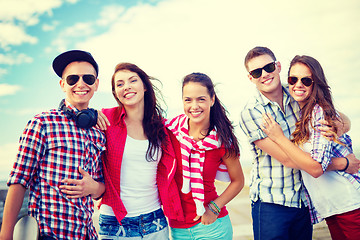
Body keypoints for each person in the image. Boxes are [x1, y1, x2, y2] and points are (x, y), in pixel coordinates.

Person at [238, 46, 359, 240]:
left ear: (278, 66)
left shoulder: (298, 91)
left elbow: (340, 118)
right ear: (250, 77)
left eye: (268, 67)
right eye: (256, 72)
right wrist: (343, 164)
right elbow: (287, 159)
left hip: (303, 200)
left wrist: (337, 125)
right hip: (272, 201)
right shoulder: (252, 113)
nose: (265, 74)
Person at [0, 50, 106, 240]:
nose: (80, 84)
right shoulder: (42, 123)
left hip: (88, 235)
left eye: (88, 78)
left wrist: (94, 188)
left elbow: (101, 188)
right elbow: (19, 180)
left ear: (96, 84)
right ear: (62, 84)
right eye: (73, 79)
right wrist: (5, 235)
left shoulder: (99, 132)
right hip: (48, 234)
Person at [95, 63, 173, 239]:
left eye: (132, 80)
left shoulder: (161, 127)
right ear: (115, 93)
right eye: (120, 84)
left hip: (156, 221)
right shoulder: (105, 118)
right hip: (115, 223)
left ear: (144, 86)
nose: (126, 86)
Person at [164, 72, 244, 239]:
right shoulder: (170, 132)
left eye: (201, 99)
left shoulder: (222, 140)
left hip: (213, 227)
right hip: (178, 229)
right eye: (188, 100)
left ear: (212, 99)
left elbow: (238, 182)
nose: (194, 106)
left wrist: (214, 209)